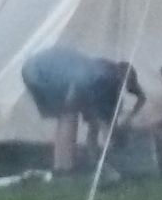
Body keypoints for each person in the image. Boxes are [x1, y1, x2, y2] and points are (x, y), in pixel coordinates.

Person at [20, 45, 141, 176]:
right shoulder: (107, 78)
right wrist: (114, 142)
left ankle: (60, 165)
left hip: (32, 68)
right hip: (44, 71)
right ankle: (66, 166)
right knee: (69, 116)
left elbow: (97, 120)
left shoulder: (100, 69)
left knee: (65, 116)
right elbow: (104, 123)